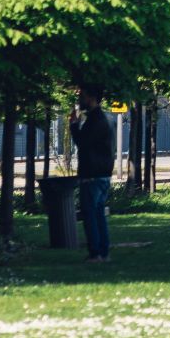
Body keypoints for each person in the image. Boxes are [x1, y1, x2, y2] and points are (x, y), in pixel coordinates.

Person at [72, 85, 116, 263]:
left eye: (82, 96)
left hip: (92, 174)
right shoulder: (104, 118)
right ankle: (103, 252)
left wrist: (74, 125)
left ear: (91, 97)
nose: (80, 100)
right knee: (98, 214)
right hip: (103, 173)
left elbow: (82, 142)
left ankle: (96, 253)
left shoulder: (94, 120)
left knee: (90, 214)